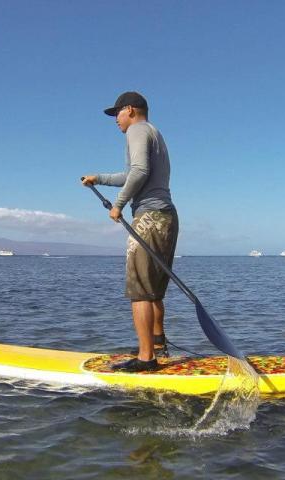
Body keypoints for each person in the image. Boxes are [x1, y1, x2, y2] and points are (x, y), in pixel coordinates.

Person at [82, 91, 179, 372]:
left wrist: (119, 205)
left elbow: (139, 171)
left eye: (117, 114)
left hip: (148, 218)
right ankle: (158, 343)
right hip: (167, 217)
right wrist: (98, 178)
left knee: (140, 292)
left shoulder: (136, 130)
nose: (116, 121)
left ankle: (146, 358)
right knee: (154, 290)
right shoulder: (154, 133)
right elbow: (133, 173)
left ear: (130, 110)